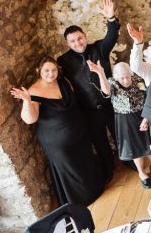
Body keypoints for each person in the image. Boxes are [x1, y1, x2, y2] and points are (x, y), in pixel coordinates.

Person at [11, 57, 105, 206]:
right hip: (58, 143)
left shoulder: (63, 81)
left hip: (80, 134)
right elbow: (30, 119)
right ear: (38, 71)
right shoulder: (33, 91)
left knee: (86, 162)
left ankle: (96, 189)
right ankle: (81, 201)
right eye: (46, 70)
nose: (51, 73)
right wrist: (27, 102)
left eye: (53, 70)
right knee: (71, 169)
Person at [56, 0, 118, 183]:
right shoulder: (63, 61)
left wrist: (111, 18)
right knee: (101, 144)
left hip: (111, 104)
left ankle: (133, 163)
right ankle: (109, 172)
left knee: (120, 136)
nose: (78, 43)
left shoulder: (99, 48)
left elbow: (112, 35)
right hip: (89, 111)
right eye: (73, 41)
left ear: (85, 36)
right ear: (68, 43)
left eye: (80, 39)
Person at [89, 61, 151, 189]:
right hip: (125, 120)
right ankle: (142, 173)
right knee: (135, 148)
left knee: (150, 143)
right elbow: (106, 91)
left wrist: (147, 116)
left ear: (130, 73)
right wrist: (100, 73)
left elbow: (148, 97)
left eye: (127, 76)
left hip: (143, 115)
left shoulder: (138, 79)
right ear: (117, 78)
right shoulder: (112, 83)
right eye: (122, 78)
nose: (125, 80)